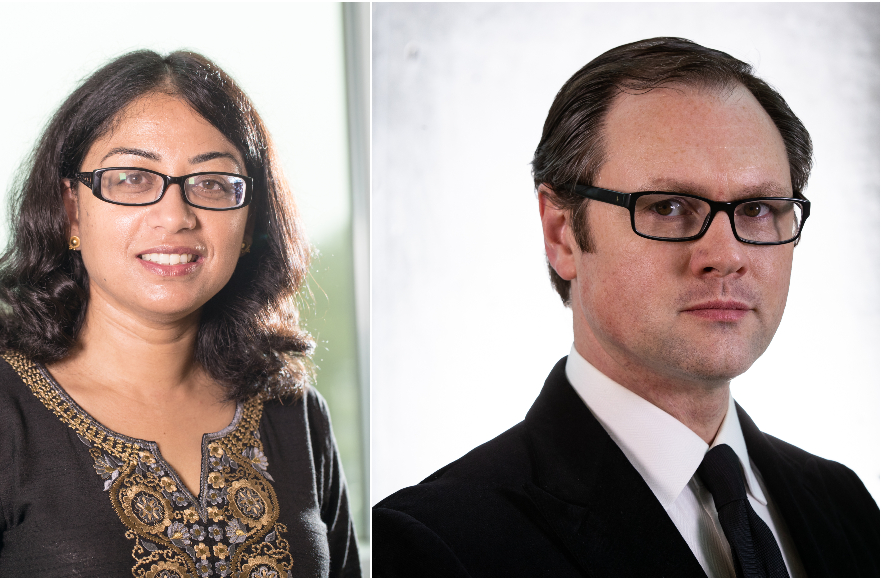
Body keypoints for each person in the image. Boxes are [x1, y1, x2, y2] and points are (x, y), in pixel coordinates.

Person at [372, 37, 878, 577]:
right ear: (562, 234)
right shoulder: (431, 545)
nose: (726, 256)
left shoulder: (847, 507)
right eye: (668, 206)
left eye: (757, 209)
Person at [0, 50, 360, 577]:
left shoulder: (296, 415)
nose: (175, 216)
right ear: (71, 208)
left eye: (212, 183)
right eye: (132, 179)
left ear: (249, 220)